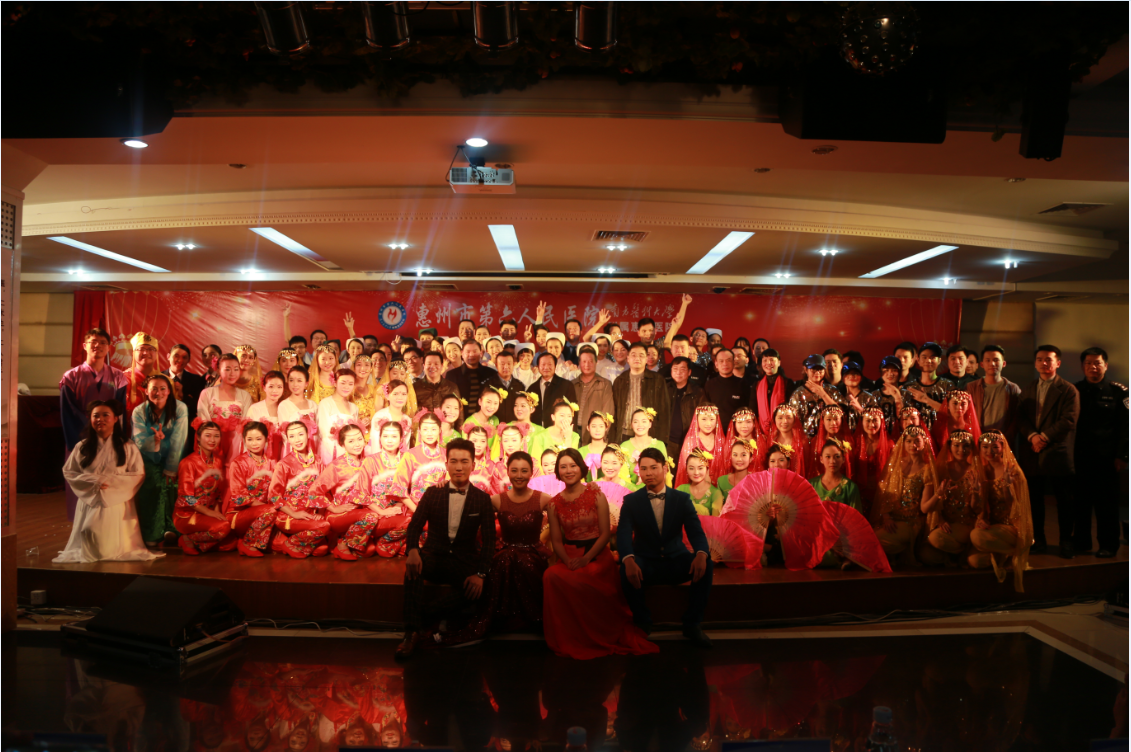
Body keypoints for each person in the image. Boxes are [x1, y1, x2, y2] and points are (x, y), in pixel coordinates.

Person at [543, 448, 659, 659]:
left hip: (596, 554)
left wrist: (586, 559)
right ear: (558, 471)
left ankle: (597, 632)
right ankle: (570, 635)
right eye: (563, 467)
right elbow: (557, 541)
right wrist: (567, 560)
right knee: (551, 575)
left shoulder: (596, 494)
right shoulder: (554, 503)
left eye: (573, 465)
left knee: (587, 575)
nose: (568, 470)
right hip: (569, 555)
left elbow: (605, 534)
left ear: (581, 468)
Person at [433, 452, 551, 647]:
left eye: (524, 471)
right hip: (505, 554)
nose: (519, 475)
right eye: (514, 470)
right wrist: (448, 486)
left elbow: (564, 512)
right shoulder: (496, 500)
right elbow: (469, 509)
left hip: (533, 556)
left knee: (520, 561)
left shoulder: (544, 499)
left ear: (531, 472)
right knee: (504, 560)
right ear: (508, 472)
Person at [396, 438, 496, 661]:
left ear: (473, 465)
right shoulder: (433, 493)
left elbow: (490, 541)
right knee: (412, 569)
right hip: (434, 555)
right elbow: (415, 525)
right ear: (446, 464)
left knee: (484, 587)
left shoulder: (482, 500)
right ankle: (411, 633)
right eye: (454, 461)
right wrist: (412, 550)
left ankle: (423, 614)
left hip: (463, 560)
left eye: (464, 461)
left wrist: (480, 574)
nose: (459, 467)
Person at [619, 447, 713, 647]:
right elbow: (624, 534)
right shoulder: (631, 501)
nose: (649, 473)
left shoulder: (681, 499)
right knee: (624, 569)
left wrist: (701, 554)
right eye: (644, 468)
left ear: (664, 468)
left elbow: (696, 531)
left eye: (654, 467)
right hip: (646, 563)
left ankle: (692, 624)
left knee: (707, 564)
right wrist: (628, 559)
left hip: (675, 561)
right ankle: (643, 623)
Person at [54, 400, 162, 563]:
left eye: (106, 415)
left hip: (117, 500)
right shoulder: (82, 447)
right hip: (90, 499)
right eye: (96, 416)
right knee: (89, 531)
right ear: (90, 419)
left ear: (115, 419)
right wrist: (93, 481)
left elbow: (138, 473)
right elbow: (69, 472)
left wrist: (111, 483)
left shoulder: (127, 446)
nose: (100, 419)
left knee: (108, 540)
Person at [60, 329, 131, 519]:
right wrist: (87, 437)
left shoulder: (118, 377)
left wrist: (117, 439)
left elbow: (120, 411)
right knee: (82, 482)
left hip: (110, 440)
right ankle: (79, 525)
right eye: (93, 342)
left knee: (108, 485)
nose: (97, 345)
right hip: (81, 439)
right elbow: (69, 412)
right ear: (85, 346)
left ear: (109, 348)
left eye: (102, 342)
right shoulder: (71, 377)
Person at [1017, 345, 1080, 557]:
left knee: (1064, 501)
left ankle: (1066, 542)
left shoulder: (1068, 390)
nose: (1044, 363)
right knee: (1034, 501)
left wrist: (1043, 437)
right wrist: (1032, 436)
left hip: (1057, 451)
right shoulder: (1028, 388)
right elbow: (1020, 417)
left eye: (1049, 359)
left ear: (1057, 363)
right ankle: (1038, 541)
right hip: (1032, 452)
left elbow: (1069, 420)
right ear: (1035, 363)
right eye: (1040, 359)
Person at [1072, 347, 1127, 558]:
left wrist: (1122, 456)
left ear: (1106, 365)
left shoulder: (1119, 392)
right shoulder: (1074, 390)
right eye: (1088, 363)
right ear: (1082, 366)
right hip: (1080, 456)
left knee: (1107, 505)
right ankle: (1081, 542)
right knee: (1081, 503)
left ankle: (1109, 545)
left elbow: (1126, 427)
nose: (1093, 367)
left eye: (1097, 363)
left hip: (1107, 459)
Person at [311, 424, 387, 561]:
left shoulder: (369, 462)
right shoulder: (337, 466)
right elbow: (314, 491)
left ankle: (342, 540)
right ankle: (342, 544)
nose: (357, 444)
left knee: (369, 551)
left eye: (359, 439)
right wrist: (333, 508)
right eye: (351, 441)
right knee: (371, 516)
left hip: (361, 513)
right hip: (341, 514)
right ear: (342, 444)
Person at [970, 430, 1034, 590]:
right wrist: (980, 515)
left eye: (994, 447)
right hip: (993, 528)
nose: (989, 451)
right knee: (974, 561)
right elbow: (977, 507)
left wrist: (1007, 486)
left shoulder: (1012, 470)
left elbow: (1017, 508)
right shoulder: (982, 471)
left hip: (1013, 527)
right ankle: (1004, 555)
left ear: (1003, 447)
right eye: (985, 447)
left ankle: (1018, 550)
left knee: (976, 536)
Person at [131, 373, 188, 547]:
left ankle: (172, 529)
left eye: (163, 388)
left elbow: (179, 439)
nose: (159, 393)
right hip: (148, 457)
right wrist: (155, 441)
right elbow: (139, 440)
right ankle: (152, 532)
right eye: (154, 389)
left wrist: (171, 467)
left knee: (173, 485)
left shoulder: (180, 408)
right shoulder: (139, 411)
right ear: (146, 391)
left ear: (169, 391)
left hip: (174, 456)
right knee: (153, 484)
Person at [872, 426, 941, 568]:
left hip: (911, 522)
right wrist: (887, 517)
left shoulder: (926, 470)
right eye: (908, 441)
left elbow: (924, 508)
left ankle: (900, 553)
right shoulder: (897, 464)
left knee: (876, 541)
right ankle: (897, 555)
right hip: (891, 519)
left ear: (924, 443)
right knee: (869, 537)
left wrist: (938, 495)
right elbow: (886, 493)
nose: (912, 445)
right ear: (903, 443)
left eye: (917, 441)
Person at [385, 413, 449, 556]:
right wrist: (419, 511)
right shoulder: (411, 455)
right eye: (425, 429)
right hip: (416, 507)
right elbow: (399, 489)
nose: (429, 433)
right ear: (419, 431)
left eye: (433, 429)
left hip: (441, 508)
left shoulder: (446, 454)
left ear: (440, 430)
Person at [268, 421, 330, 558]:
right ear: (288, 439)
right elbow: (274, 496)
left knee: (322, 550)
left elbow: (323, 490)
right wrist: (294, 514)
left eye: (300, 434)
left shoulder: (318, 461)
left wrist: (320, 512)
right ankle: (288, 544)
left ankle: (286, 541)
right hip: (289, 516)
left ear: (308, 435)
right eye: (292, 436)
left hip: (310, 516)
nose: (297, 439)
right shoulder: (284, 464)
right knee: (324, 526)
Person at [920, 430, 981, 567]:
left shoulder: (975, 471)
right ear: (949, 447)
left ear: (971, 447)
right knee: (925, 554)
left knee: (936, 538)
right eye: (956, 445)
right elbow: (935, 501)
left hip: (966, 523)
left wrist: (976, 492)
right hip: (945, 524)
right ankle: (958, 555)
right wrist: (940, 519)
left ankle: (963, 552)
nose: (961, 450)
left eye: (966, 445)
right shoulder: (941, 468)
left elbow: (976, 508)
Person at [173, 422, 232, 555]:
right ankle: (187, 539)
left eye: (216, 436)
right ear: (198, 437)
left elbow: (217, 493)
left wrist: (218, 515)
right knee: (224, 528)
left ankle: (196, 543)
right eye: (208, 435)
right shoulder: (188, 462)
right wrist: (211, 514)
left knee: (230, 542)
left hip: (207, 514)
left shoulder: (218, 461)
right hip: (188, 515)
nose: (212, 440)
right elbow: (187, 497)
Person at [224, 421, 279, 557]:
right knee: (271, 511)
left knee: (280, 545)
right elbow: (239, 496)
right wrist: (268, 507)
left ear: (266, 439)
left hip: (266, 513)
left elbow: (277, 490)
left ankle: (249, 539)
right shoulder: (238, 463)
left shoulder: (272, 462)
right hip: (240, 513)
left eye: (258, 439)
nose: (254, 443)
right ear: (244, 440)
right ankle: (247, 543)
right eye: (249, 439)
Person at [195, 353, 253, 468]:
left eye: (236, 369)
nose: (232, 373)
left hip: (237, 444)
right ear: (218, 370)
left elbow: (246, 422)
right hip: (212, 442)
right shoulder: (207, 393)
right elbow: (203, 420)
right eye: (227, 369)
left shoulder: (245, 395)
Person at [613, 343, 671, 444]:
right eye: (634, 355)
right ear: (628, 358)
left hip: (649, 434)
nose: (637, 358)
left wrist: (662, 439)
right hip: (624, 433)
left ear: (646, 359)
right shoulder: (620, 380)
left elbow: (664, 411)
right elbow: (615, 410)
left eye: (641, 355)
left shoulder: (657, 380)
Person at [966, 345, 1021, 442]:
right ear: (982, 364)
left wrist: (1006, 438)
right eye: (988, 360)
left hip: (1004, 441)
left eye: (996, 360)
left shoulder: (1013, 389)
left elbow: (1017, 418)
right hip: (978, 440)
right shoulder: (971, 387)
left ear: (1004, 363)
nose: (992, 363)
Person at [787, 354, 847, 437]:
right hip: (807, 438)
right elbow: (793, 420)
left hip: (830, 437)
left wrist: (823, 394)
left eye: (820, 369)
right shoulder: (798, 394)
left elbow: (842, 413)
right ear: (806, 369)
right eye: (814, 369)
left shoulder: (832, 390)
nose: (817, 373)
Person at [902, 342, 954, 433]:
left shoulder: (948, 385)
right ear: (918, 359)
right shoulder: (909, 387)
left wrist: (927, 400)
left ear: (939, 360)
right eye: (924, 357)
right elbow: (903, 415)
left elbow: (953, 413)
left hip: (942, 434)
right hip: (916, 435)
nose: (928, 361)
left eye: (932, 357)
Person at [853, 407, 893, 518]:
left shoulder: (889, 445)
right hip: (859, 494)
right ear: (862, 422)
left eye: (875, 420)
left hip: (881, 494)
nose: (872, 424)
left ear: (882, 422)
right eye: (868, 421)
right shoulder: (854, 443)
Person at [317, 368, 362, 466]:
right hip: (330, 450)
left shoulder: (354, 407)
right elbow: (324, 432)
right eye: (343, 383)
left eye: (350, 384)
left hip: (350, 450)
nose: (346, 387)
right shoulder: (326, 403)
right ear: (335, 383)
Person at [674, 404, 726, 486]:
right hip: (695, 485)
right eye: (704, 419)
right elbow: (685, 470)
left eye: (712, 419)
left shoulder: (721, 441)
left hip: (718, 485)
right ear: (697, 419)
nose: (708, 423)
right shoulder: (690, 441)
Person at [666, 356, 706, 459]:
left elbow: (703, 416)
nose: (678, 372)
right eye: (675, 369)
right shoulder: (665, 389)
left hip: (690, 441)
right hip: (668, 442)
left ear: (689, 372)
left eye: (682, 369)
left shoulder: (698, 392)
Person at [572, 346, 615, 443]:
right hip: (573, 432)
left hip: (594, 433)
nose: (587, 364)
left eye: (591, 361)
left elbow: (608, 411)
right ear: (579, 363)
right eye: (584, 361)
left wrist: (602, 434)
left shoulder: (605, 384)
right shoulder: (572, 384)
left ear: (596, 362)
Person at [163, 343, 206, 439]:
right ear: (168, 356)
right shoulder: (159, 377)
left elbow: (199, 406)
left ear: (188, 360)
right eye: (176, 356)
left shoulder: (196, 380)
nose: (180, 360)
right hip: (162, 426)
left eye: (184, 357)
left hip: (186, 429)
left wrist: (183, 396)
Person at [277, 365, 320, 458]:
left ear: (306, 383)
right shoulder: (284, 405)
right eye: (291, 380)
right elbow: (285, 434)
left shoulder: (313, 405)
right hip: (293, 450)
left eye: (299, 380)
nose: (295, 384)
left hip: (313, 448)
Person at [703, 349, 750, 433]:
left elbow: (748, 411)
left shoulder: (743, 384)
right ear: (716, 364)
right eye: (721, 361)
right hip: (715, 431)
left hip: (738, 431)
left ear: (734, 362)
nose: (725, 364)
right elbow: (706, 411)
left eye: (728, 360)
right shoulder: (709, 384)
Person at [620, 408, 668, 489]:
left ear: (650, 424)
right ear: (631, 425)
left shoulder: (659, 445)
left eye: (644, 421)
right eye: (636, 422)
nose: (640, 425)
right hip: (630, 491)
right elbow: (622, 476)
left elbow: (664, 474)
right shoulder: (624, 446)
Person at [246, 370, 287, 460]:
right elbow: (247, 436)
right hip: (261, 455)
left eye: (279, 387)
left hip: (283, 453)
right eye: (271, 386)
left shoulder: (286, 408)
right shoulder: (255, 409)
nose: (275, 391)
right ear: (264, 387)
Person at [447, 340, 499, 409]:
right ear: (462, 353)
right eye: (468, 352)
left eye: (475, 351)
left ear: (481, 353)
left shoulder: (491, 374)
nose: (471, 354)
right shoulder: (451, 375)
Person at [531, 353, 578, 428]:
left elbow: (573, 412)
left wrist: (571, 431)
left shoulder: (566, 385)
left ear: (555, 366)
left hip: (560, 430)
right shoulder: (532, 388)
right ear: (538, 366)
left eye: (550, 364)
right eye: (543, 364)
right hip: (537, 431)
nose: (546, 367)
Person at [124, 332, 163, 422]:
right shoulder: (123, 379)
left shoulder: (166, 381)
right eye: (141, 349)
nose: (146, 352)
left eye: (151, 349)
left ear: (156, 353)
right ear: (133, 353)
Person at [370, 379, 413, 455]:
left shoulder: (407, 420)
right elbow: (375, 443)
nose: (400, 397)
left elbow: (406, 446)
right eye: (395, 394)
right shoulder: (380, 416)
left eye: (404, 394)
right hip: (381, 458)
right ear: (387, 396)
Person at [678, 449, 724, 517]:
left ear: (707, 469)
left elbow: (716, 521)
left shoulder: (716, 493)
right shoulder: (680, 490)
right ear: (686, 469)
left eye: (700, 468)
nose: (696, 473)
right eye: (691, 468)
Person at [869, 355, 907, 435]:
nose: (890, 373)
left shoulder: (906, 394)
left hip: (902, 436)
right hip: (880, 436)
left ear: (900, 373)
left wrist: (898, 398)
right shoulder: (874, 395)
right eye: (886, 370)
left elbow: (907, 420)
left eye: (894, 370)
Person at [579, 411, 615, 480]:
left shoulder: (612, 451)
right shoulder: (580, 452)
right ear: (588, 428)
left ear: (606, 428)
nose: (597, 430)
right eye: (594, 426)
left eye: (601, 426)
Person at [490, 351, 524, 422]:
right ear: (496, 365)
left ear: (513, 364)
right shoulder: (489, 385)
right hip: (494, 425)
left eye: (509, 364)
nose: (506, 367)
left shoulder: (520, 386)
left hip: (514, 426)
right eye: (502, 364)